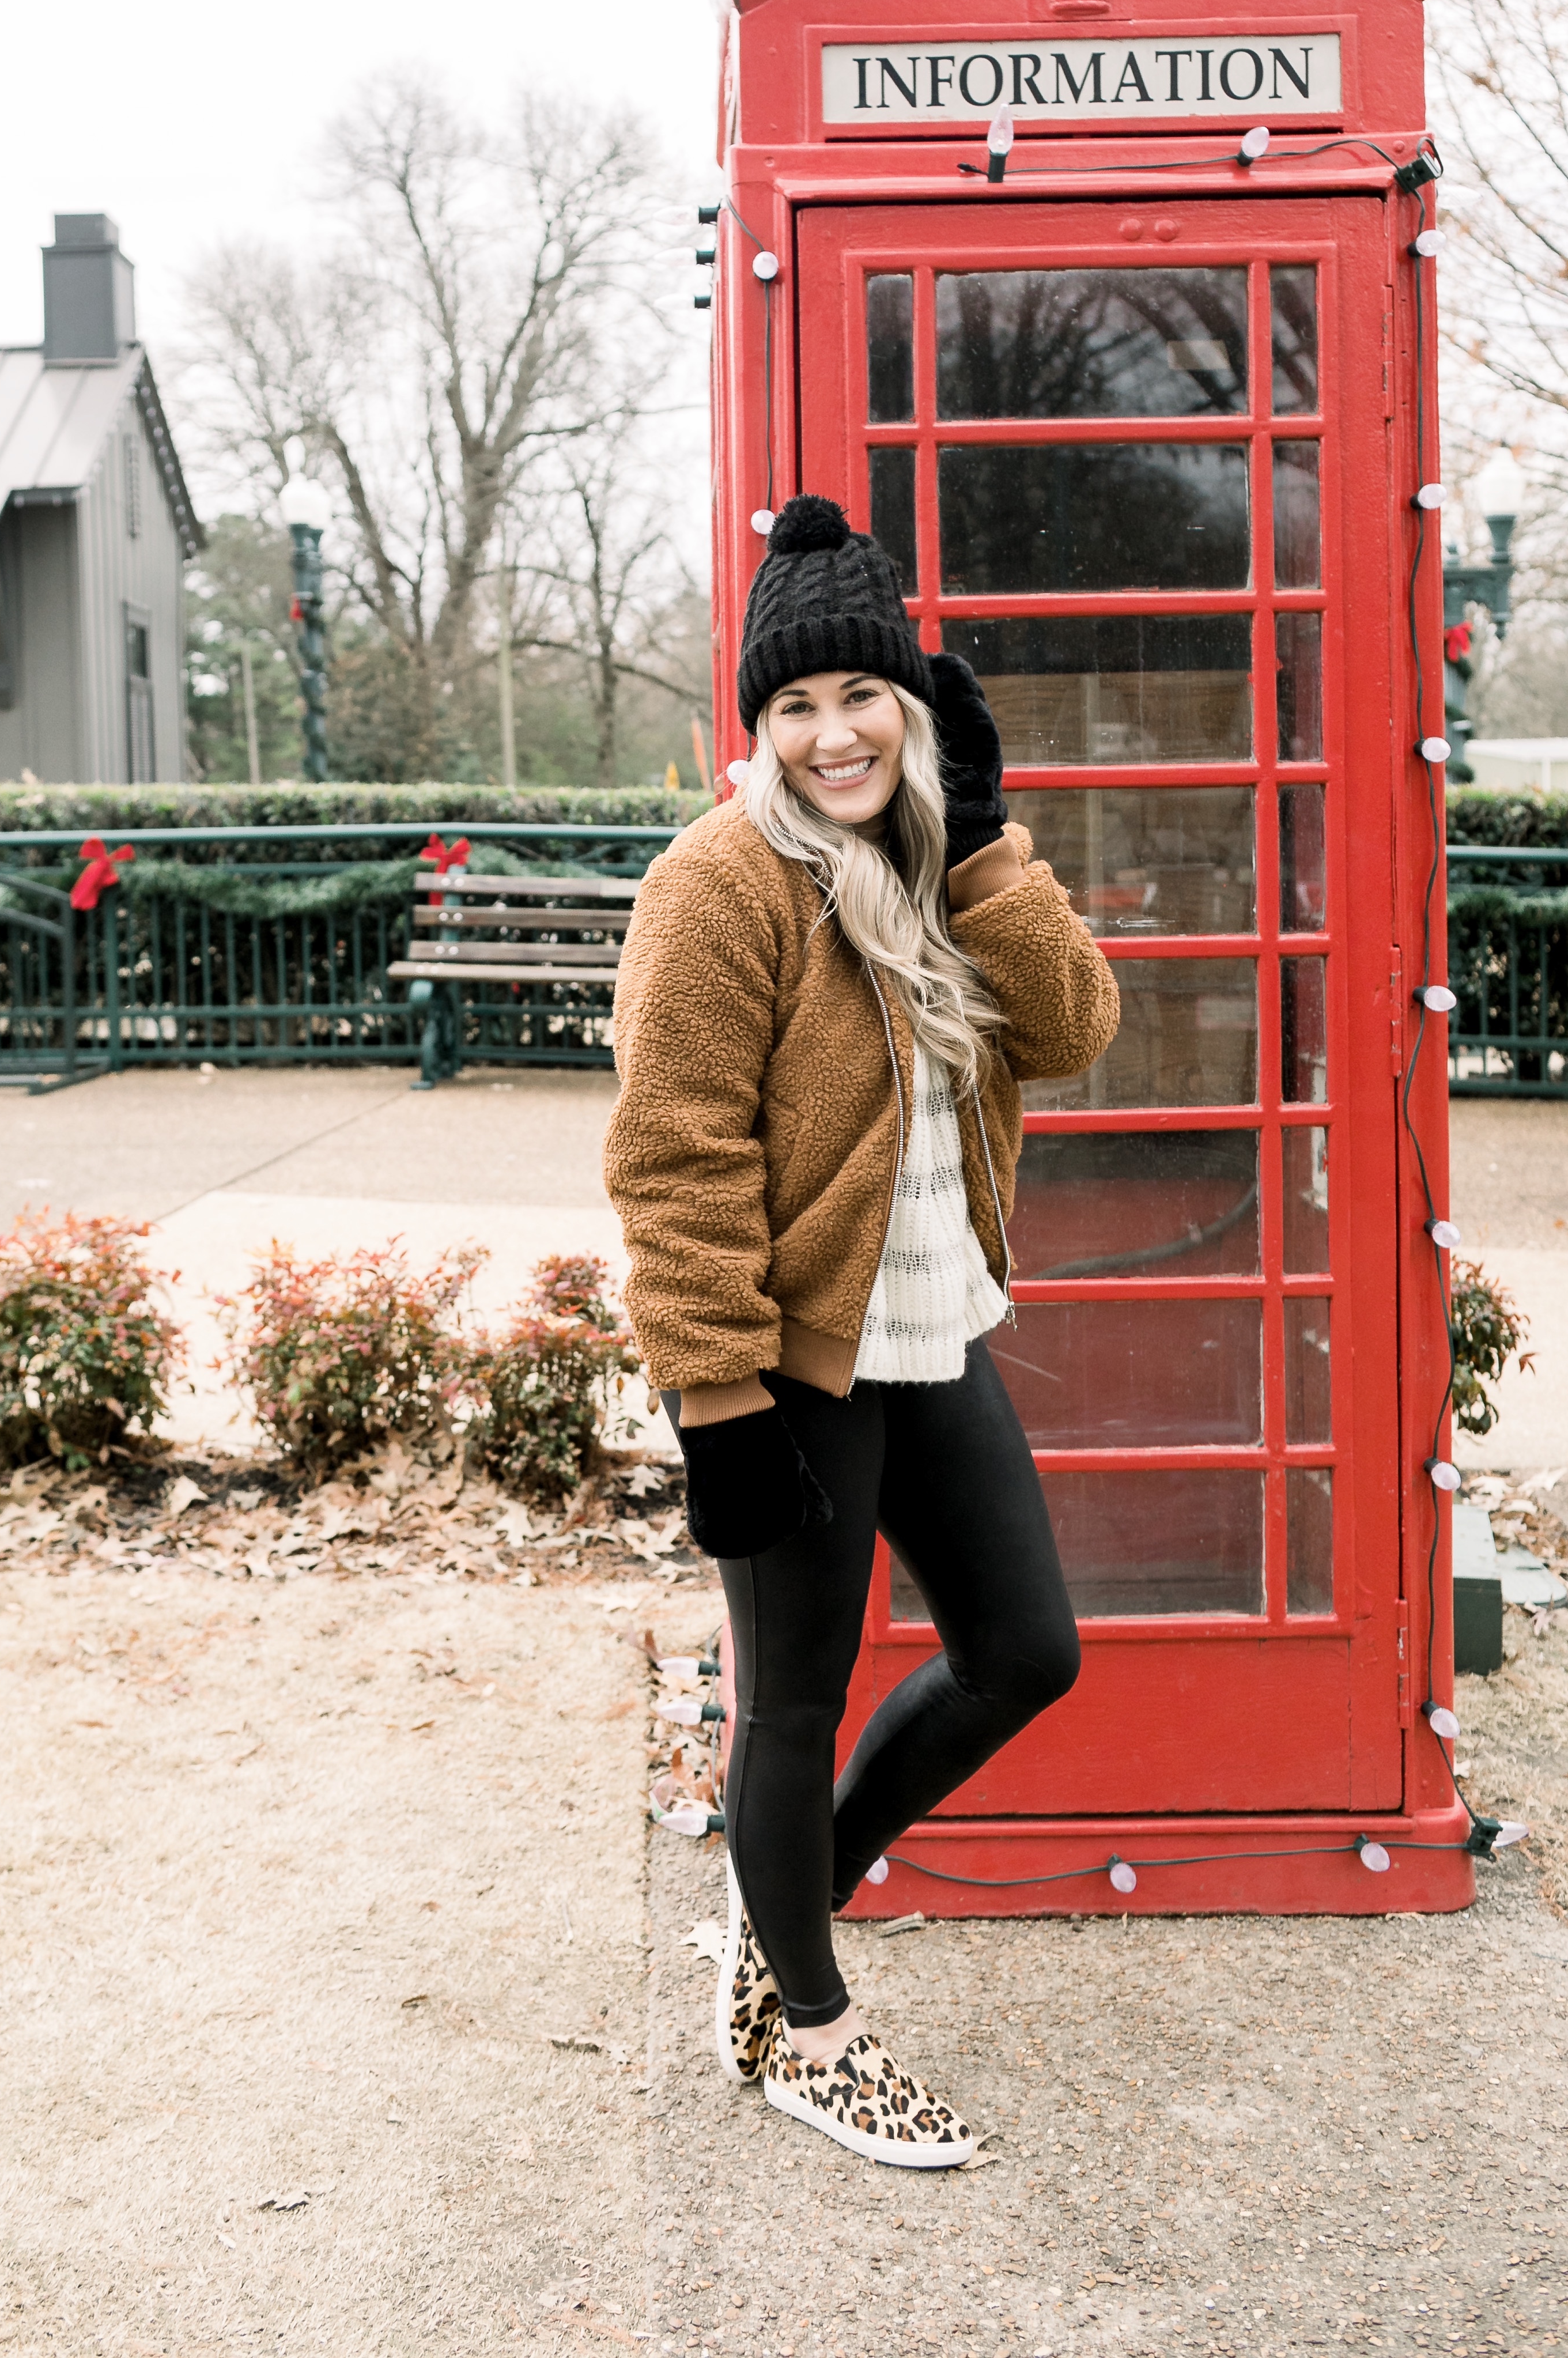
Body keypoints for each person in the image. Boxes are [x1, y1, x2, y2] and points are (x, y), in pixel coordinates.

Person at [604, 494, 1120, 2169]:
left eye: (862, 698)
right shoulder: (719, 888)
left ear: (910, 707)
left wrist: (983, 845)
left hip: (933, 1328)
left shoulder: (927, 862)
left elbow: (1073, 1026)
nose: (832, 735)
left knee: (1023, 1650)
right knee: (793, 1704)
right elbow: (672, 1164)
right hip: (793, 1361)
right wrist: (719, 1410)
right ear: (754, 728)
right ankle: (808, 2034)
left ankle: (784, 1914)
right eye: (795, 708)